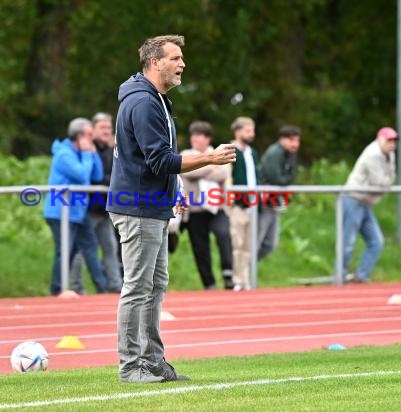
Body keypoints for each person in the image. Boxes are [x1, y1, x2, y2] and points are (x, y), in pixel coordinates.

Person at [107, 34, 237, 383]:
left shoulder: (157, 99)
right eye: (175, 58)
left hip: (152, 205)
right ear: (154, 63)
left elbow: (157, 160)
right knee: (137, 287)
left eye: (182, 58)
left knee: (155, 284)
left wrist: (174, 189)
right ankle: (131, 366)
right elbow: (159, 160)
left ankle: (152, 362)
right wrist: (208, 157)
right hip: (137, 207)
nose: (182, 64)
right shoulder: (144, 103)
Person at [43, 117, 108, 296]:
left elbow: (97, 175)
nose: (91, 138)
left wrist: (92, 155)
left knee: (90, 246)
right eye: (88, 135)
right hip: (60, 211)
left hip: (78, 211)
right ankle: (56, 290)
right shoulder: (64, 154)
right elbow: (80, 175)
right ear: (78, 136)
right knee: (64, 251)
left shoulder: (82, 153)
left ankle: (102, 287)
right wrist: (88, 155)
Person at [70, 112, 123, 294]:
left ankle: (115, 285)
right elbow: (91, 177)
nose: (107, 131)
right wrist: (110, 182)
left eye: (109, 128)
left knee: (110, 247)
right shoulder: (86, 150)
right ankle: (77, 286)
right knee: (81, 250)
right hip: (87, 208)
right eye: (102, 127)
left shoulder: (112, 151)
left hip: (106, 209)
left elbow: (119, 175)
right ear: (92, 130)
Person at [181, 121, 234, 290]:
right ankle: (209, 284)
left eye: (199, 135)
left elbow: (224, 173)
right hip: (195, 208)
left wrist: (201, 167)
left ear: (208, 138)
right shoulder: (186, 153)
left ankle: (228, 273)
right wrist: (210, 165)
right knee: (200, 247)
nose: (194, 139)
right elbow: (187, 171)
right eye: (193, 135)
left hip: (217, 206)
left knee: (224, 234)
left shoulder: (219, 152)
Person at [342, 126, 398, 283]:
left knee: (376, 241)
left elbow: (391, 177)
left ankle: (361, 275)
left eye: (394, 141)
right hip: (354, 199)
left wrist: (385, 184)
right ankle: (339, 276)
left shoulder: (390, 155)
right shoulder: (372, 154)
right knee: (348, 242)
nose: (392, 144)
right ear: (380, 139)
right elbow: (379, 182)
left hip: (366, 202)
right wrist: (386, 184)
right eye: (389, 140)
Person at [228, 116, 262, 292]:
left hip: (253, 205)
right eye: (248, 130)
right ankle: (237, 280)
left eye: (252, 130)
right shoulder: (231, 150)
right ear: (238, 131)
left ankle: (246, 278)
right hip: (238, 205)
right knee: (238, 244)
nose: (252, 134)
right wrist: (229, 201)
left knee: (249, 245)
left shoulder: (252, 152)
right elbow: (227, 177)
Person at [258, 125, 301, 260]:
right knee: (257, 240)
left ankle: (249, 270)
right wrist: (287, 180)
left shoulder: (290, 154)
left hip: (275, 202)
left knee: (270, 244)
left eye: (297, 141)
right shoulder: (275, 153)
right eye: (292, 140)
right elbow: (275, 178)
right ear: (283, 139)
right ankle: (245, 273)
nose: (295, 144)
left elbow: (292, 175)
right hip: (264, 201)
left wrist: (287, 179)